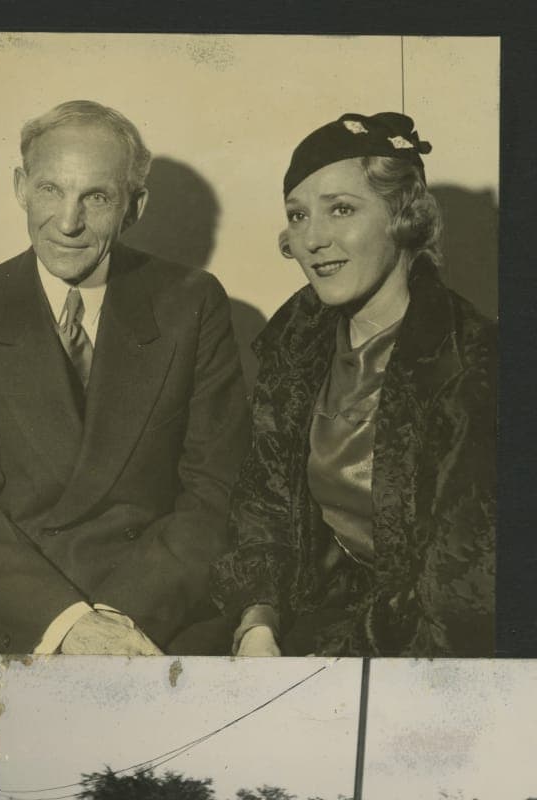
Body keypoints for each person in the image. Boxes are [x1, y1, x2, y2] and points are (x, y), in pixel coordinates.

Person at [0, 100, 251, 660]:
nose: (68, 222)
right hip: (9, 608)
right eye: (50, 190)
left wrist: (118, 621)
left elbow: (215, 489)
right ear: (20, 186)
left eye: (96, 197)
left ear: (134, 207)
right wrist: (65, 623)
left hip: (149, 607)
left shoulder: (190, 301)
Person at [211, 112, 496, 658]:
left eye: (341, 209)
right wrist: (258, 623)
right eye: (297, 215)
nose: (312, 238)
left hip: (434, 649)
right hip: (322, 614)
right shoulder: (296, 343)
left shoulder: (476, 363)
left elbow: (465, 590)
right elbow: (265, 505)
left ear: (402, 216)